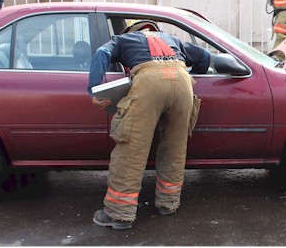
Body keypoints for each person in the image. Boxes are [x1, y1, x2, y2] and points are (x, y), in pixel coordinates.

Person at [88, 20, 210, 230]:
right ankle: (168, 203)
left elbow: (101, 53)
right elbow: (205, 57)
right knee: (175, 146)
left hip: (148, 82)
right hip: (182, 82)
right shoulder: (172, 40)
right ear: (153, 31)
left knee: (132, 149)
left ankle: (119, 214)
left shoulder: (123, 39)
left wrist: (93, 89)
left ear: (133, 32)